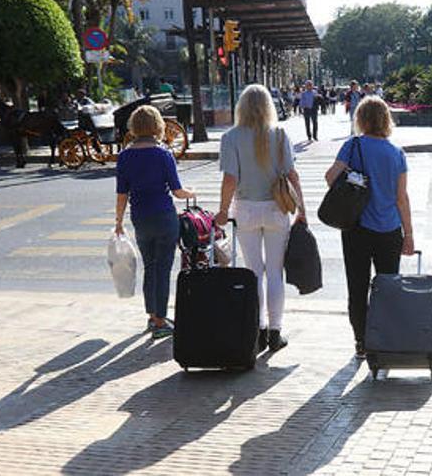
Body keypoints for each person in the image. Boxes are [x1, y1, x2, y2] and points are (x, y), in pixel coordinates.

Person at [216, 84, 307, 353]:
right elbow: (292, 175)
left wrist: (222, 210)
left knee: (254, 272)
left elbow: (230, 179)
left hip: (245, 209)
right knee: (275, 272)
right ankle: (276, 333)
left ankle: (259, 329)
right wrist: (302, 210)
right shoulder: (279, 134)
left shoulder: (231, 137)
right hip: (277, 208)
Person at [324, 96, 415, 359]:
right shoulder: (397, 153)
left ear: (361, 120)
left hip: (356, 229)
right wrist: (408, 235)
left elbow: (331, 177)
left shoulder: (352, 146)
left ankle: (362, 341)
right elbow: (402, 198)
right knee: (387, 286)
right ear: (386, 120)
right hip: (389, 231)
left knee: (357, 286)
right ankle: (384, 339)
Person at [114, 105, 195, 339]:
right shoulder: (163, 154)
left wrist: (119, 221)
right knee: (163, 268)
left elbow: (122, 194)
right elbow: (178, 191)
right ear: (157, 126)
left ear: (134, 127)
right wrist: (192, 193)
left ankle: (152, 315)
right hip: (164, 217)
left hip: (140, 217)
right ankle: (160, 320)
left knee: (150, 266)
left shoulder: (125, 156)